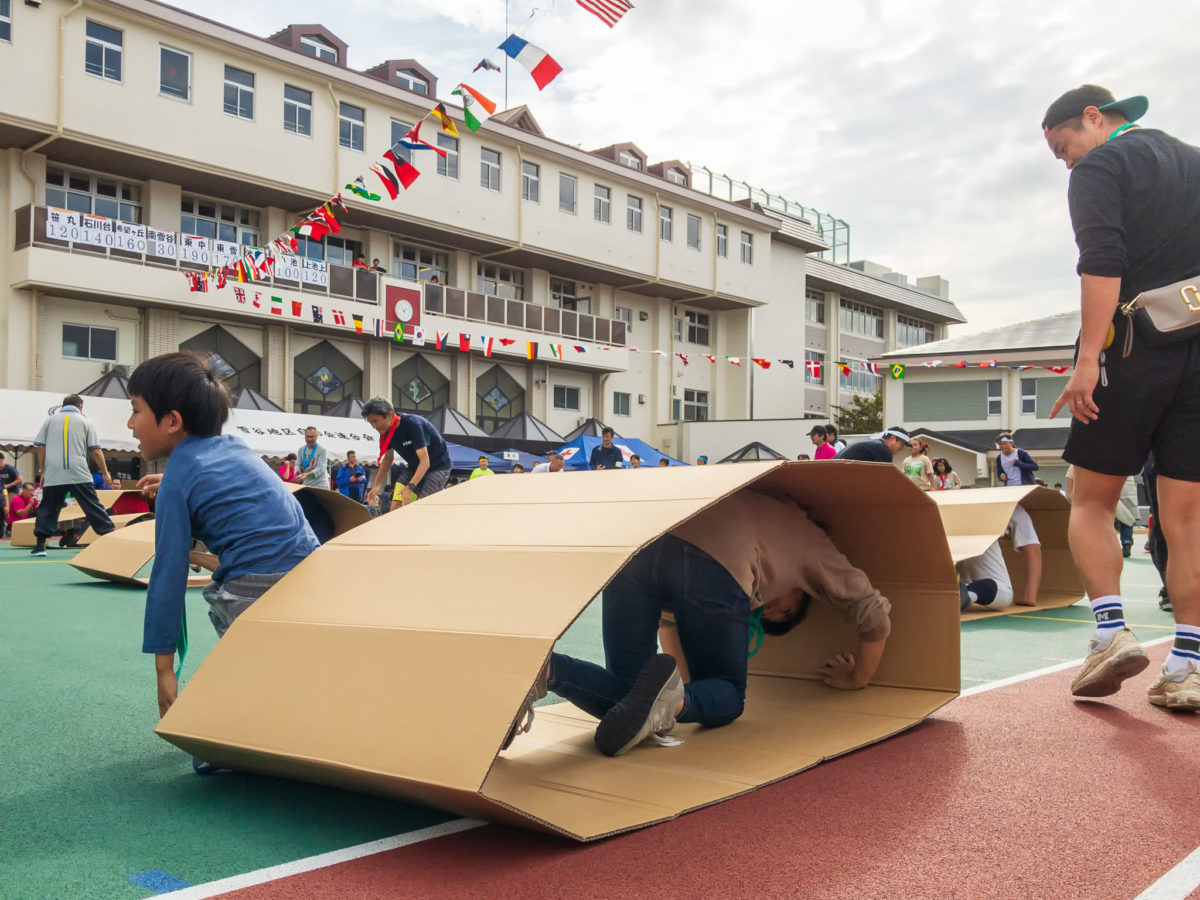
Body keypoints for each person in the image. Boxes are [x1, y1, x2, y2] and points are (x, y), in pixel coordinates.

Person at [510, 489, 891, 756]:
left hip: (639, 546)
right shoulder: (813, 544)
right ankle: (670, 707)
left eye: (770, 616)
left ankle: (545, 670)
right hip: (712, 558)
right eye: (788, 611)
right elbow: (873, 612)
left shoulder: (764, 506)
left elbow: (669, 625)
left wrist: (681, 687)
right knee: (728, 697)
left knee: (631, 691)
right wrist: (858, 679)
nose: (772, 610)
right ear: (805, 593)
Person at [1043, 84, 1200, 708]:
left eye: (1065, 150)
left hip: (1133, 347)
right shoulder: (1193, 160)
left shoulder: (1104, 165)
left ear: (1093, 118)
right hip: (1197, 349)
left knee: (1090, 499)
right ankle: (1188, 665)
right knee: (1186, 517)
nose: (1069, 163)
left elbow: (1101, 259)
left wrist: (1086, 361)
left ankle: (1111, 633)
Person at [126, 352, 320, 720]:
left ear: (171, 421)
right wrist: (174, 482)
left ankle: (243, 699)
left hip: (256, 588)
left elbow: (168, 578)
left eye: (136, 410)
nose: (130, 424)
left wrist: (164, 671)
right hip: (311, 576)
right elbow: (221, 481)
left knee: (219, 592)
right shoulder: (237, 448)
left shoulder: (178, 484)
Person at [30, 395, 114, 556]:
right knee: (92, 506)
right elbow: (96, 450)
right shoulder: (86, 422)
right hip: (79, 472)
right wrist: (105, 472)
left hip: (54, 472)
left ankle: (40, 545)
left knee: (48, 507)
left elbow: (40, 447)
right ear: (80, 406)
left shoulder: (49, 421)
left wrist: (43, 471)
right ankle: (109, 537)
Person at [362, 398, 452, 509]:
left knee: (423, 507)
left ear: (390, 415)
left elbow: (425, 462)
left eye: (375, 421)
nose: (374, 427)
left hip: (438, 466)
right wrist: (375, 486)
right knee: (396, 506)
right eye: (371, 422)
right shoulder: (386, 432)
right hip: (414, 467)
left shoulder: (413, 424)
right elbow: (388, 459)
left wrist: (410, 486)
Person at [957, 505, 1042, 610]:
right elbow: (1033, 550)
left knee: (966, 577)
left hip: (949, 528)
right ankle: (965, 593)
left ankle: (950, 589)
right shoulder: (1012, 508)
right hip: (977, 529)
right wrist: (1029, 597)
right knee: (1005, 593)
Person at [834, 427, 910, 463]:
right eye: (901, 444)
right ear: (893, 438)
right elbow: (888, 478)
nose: (902, 448)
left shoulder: (872, 444)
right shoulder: (882, 449)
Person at [1114, 476, 1139, 559]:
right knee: (1127, 518)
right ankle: (1126, 542)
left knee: (1106, 517)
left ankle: (1107, 545)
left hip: (1109, 483)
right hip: (1128, 484)